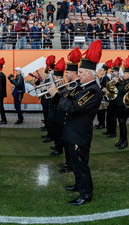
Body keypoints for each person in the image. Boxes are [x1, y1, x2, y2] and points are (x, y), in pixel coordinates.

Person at [47, 40, 103, 206]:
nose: (78, 75)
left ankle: (86, 194)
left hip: (79, 134)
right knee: (75, 164)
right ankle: (80, 186)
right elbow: (70, 99)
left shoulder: (92, 90)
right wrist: (63, 91)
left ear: (89, 74)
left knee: (81, 165)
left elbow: (73, 107)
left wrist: (56, 95)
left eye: (81, 72)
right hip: (72, 132)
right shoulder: (83, 87)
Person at [114, 55, 129, 149]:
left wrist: (117, 82)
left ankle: (125, 141)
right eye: (124, 73)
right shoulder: (125, 81)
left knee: (123, 124)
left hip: (124, 106)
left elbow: (123, 90)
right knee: (120, 123)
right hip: (119, 104)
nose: (124, 75)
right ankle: (121, 139)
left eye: (126, 73)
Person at [96, 60, 112, 130]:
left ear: (105, 71)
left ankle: (102, 124)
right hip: (100, 96)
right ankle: (100, 123)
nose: (100, 71)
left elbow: (106, 89)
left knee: (101, 112)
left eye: (102, 70)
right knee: (99, 111)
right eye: (100, 70)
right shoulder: (101, 78)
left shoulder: (106, 78)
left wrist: (100, 87)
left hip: (103, 97)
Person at [0, 58, 8, 125]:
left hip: (1, 94)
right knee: (0, 107)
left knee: (1, 107)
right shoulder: (1, 75)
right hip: (1, 93)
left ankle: (4, 119)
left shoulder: (1, 75)